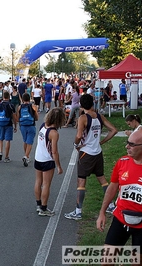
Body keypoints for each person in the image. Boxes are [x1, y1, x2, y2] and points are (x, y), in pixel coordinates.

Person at [64, 93, 118, 220]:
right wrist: (102, 141)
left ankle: (78, 211)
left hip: (86, 153)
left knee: (81, 181)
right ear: (92, 103)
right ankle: (110, 205)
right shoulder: (99, 116)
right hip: (97, 152)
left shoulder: (83, 118)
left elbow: (78, 135)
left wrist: (75, 144)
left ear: (82, 105)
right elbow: (114, 130)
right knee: (102, 180)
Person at [96, 130, 142, 264]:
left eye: (132, 144)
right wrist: (102, 212)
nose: (127, 146)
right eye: (128, 143)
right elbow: (112, 187)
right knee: (107, 260)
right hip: (121, 219)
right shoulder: (122, 162)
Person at [34, 108, 66, 216]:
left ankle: (38, 204)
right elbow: (54, 152)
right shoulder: (54, 133)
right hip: (47, 160)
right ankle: (44, 208)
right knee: (46, 184)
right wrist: (59, 166)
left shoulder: (43, 126)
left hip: (38, 157)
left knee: (38, 181)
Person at [0, 91, 17, 163]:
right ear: (9, 97)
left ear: (3, 97)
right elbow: (14, 117)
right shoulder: (11, 105)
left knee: (0, 139)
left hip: (0, 124)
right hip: (8, 124)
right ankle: (6, 157)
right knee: (7, 140)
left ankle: (0, 152)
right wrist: (15, 126)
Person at [18, 93, 39, 167]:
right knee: (29, 142)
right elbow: (36, 118)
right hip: (31, 125)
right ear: (29, 99)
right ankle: (26, 156)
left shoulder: (20, 107)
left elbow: (18, 117)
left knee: (25, 141)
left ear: (23, 99)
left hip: (23, 126)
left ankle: (26, 155)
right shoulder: (33, 106)